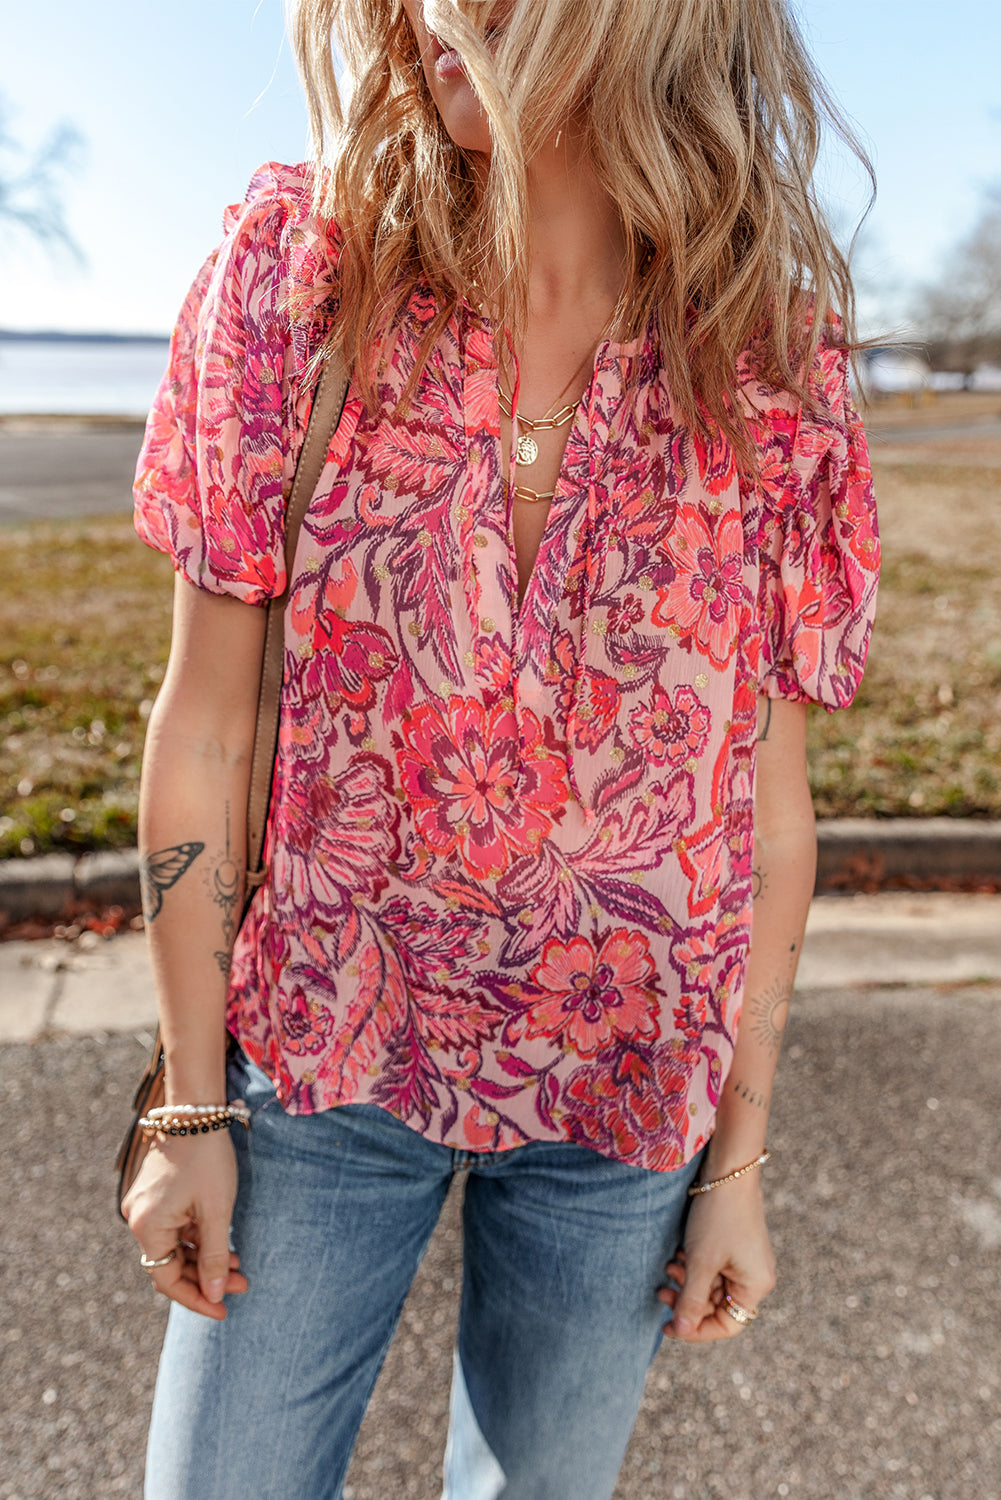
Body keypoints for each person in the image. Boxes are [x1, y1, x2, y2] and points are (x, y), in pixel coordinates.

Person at [124, 0, 880, 1495]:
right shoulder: (297, 286)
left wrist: (735, 1163)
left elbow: (763, 817)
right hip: (326, 1059)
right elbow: (207, 724)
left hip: (624, 1097)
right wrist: (190, 1104)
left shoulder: (769, 366)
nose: (425, 10)